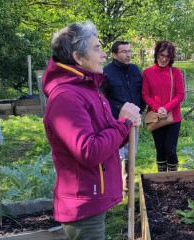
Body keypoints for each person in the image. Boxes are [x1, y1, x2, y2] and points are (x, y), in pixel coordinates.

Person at [42, 21, 141, 240]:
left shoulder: (88, 90)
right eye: (97, 48)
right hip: (84, 204)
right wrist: (122, 123)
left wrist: (125, 126)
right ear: (78, 57)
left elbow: (105, 139)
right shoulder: (66, 98)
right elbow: (88, 151)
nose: (104, 55)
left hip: (93, 197)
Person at [102, 41, 144, 191]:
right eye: (124, 52)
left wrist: (141, 109)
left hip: (134, 119)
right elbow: (102, 97)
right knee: (117, 154)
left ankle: (128, 184)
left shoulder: (134, 69)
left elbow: (141, 91)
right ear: (114, 55)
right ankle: (115, 185)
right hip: (115, 121)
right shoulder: (106, 72)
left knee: (131, 152)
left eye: (129, 51)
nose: (128, 55)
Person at [142, 41, 184, 172]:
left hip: (173, 117)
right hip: (155, 117)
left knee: (170, 149)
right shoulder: (148, 72)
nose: (164, 59)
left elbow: (180, 94)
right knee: (160, 149)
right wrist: (157, 107)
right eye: (161, 55)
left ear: (171, 58)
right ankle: (161, 179)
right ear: (156, 54)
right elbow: (145, 94)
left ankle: (172, 178)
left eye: (167, 56)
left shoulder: (175, 72)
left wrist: (166, 108)